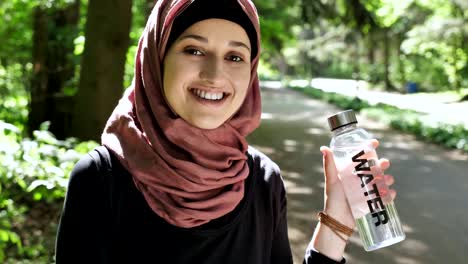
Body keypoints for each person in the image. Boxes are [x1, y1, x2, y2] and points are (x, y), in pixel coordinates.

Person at [55, 0, 396, 263]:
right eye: (194, 50)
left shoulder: (263, 180)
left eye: (235, 56)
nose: (215, 74)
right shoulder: (101, 178)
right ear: (157, 59)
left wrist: (337, 217)